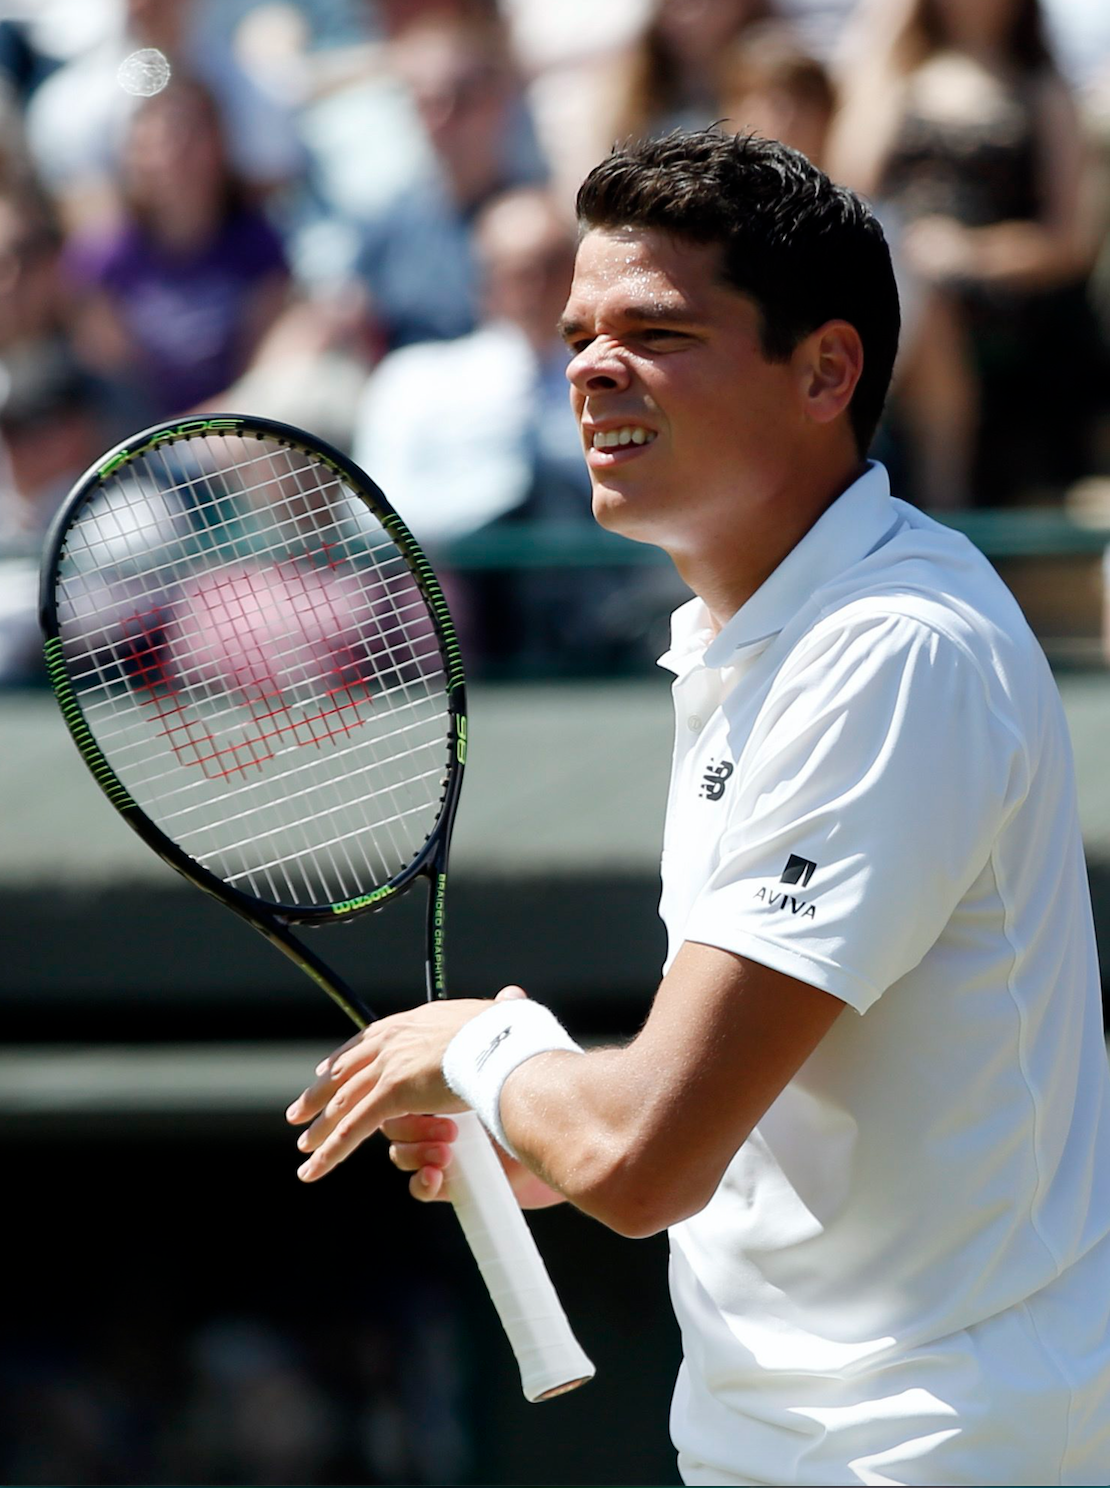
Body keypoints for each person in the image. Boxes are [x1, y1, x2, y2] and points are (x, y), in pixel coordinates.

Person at [285, 131, 1110, 1485]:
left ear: (826, 371)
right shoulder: (752, 641)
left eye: (656, 332)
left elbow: (643, 1158)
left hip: (933, 1452)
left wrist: (485, 1060)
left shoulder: (892, 650)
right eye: (576, 336)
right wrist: (539, 1128)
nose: (591, 369)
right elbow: (696, 1131)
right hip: (796, 1443)